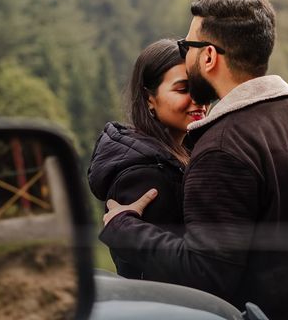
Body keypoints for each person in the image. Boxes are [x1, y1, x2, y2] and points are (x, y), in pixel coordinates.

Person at [100, 0, 288, 320]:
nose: (184, 57)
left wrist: (123, 227)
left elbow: (205, 274)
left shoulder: (223, 147)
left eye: (187, 47)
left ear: (209, 56)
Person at [87, 38, 205, 279]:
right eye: (183, 89)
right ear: (149, 98)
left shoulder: (186, 150)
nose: (198, 100)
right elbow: (159, 271)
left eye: (202, 88)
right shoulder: (146, 174)